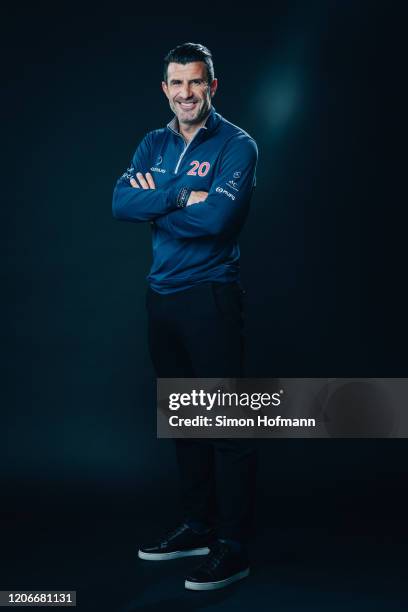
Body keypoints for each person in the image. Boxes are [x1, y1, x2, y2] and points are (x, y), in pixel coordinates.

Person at [112, 42, 258, 591]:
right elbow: (121, 203)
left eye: (196, 83)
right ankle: (197, 527)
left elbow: (219, 219)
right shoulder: (153, 142)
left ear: (212, 86)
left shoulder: (236, 145)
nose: (186, 94)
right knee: (186, 421)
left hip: (210, 297)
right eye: (176, 84)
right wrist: (182, 194)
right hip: (162, 298)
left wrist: (161, 198)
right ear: (165, 89)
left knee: (226, 425)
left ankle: (233, 546)